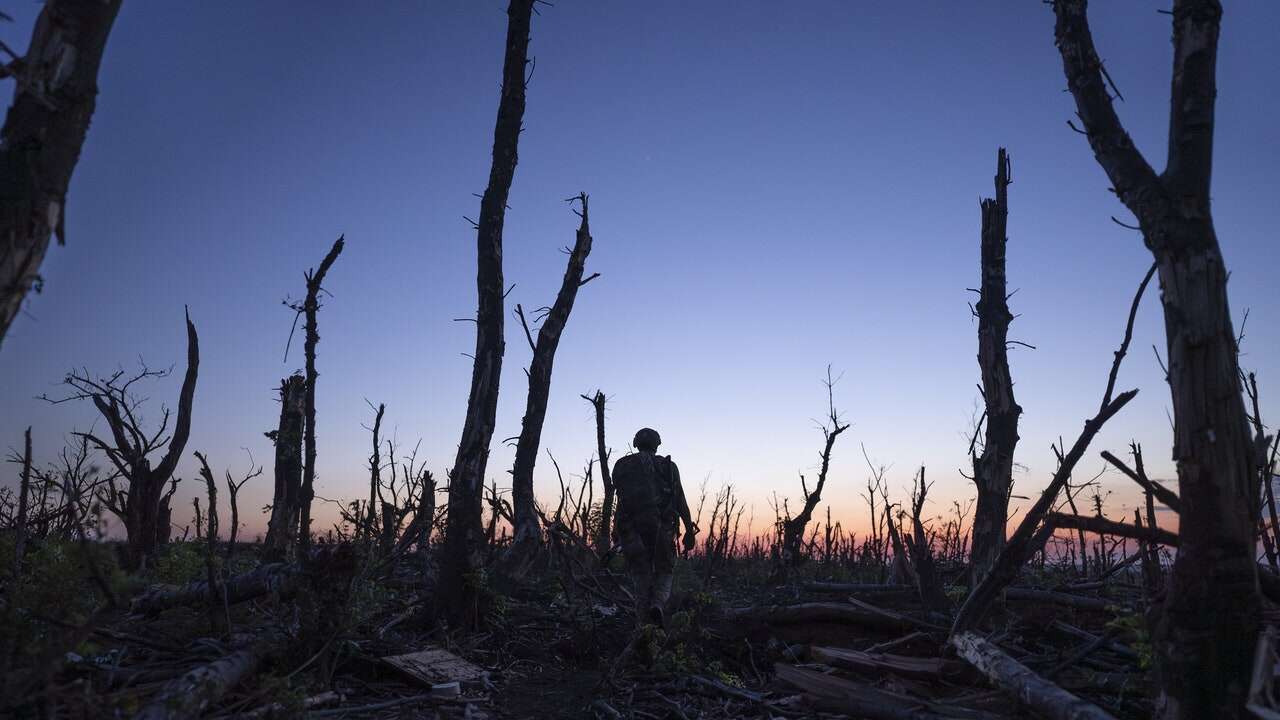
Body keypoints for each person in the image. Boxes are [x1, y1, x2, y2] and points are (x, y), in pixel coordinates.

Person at [611, 427, 696, 625]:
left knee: (640, 574)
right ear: (657, 445)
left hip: (631, 530)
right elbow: (680, 500)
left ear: (635, 444)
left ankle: (643, 623)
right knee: (665, 571)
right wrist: (689, 531)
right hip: (662, 530)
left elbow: (621, 501)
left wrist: (616, 531)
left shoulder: (621, 466)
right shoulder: (668, 466)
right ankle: (658, 604)